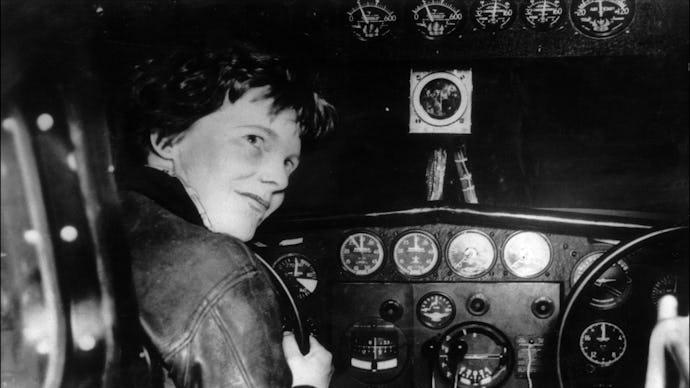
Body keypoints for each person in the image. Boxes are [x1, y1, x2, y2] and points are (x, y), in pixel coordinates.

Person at [114, 44, 336, 388]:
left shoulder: (109, 225)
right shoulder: (216, 265)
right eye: (254, 139)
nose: (279, 179)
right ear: (167, 138)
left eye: (288, 163)